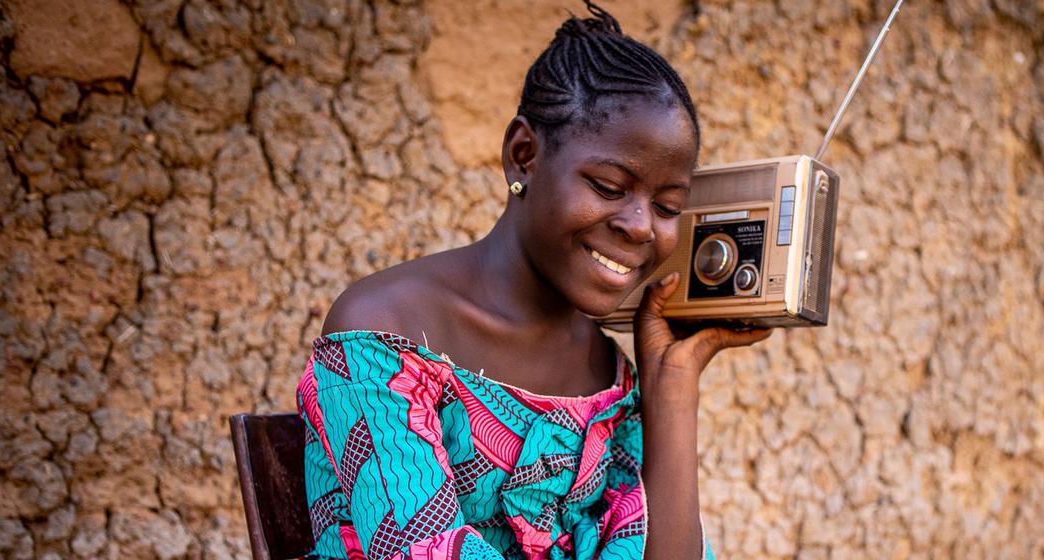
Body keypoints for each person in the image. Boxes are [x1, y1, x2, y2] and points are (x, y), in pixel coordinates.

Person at [295, 2, 771, 559]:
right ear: (523, 156)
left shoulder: (607, 376)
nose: (641, 226)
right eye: (609, 186)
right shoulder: (383, 334)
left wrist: (671, 388)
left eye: (668, 206)